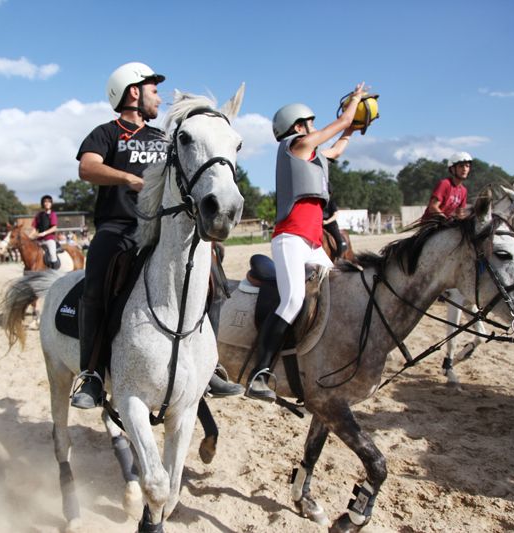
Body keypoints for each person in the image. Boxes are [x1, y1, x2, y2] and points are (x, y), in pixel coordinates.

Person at [71, 62, 241, 409]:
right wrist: (128, 179)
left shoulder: (165, 138)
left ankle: (210, 367)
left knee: (215, 273)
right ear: (133, 91)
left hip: (162, 226)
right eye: (153, 89)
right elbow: (86, 167)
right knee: (96, 281)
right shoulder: (107, 133)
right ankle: (91, 375)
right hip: (117, 226)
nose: (158, 97)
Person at [246, 83, 367, 403]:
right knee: (292, 300)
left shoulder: (312, 156)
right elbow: (337, 126)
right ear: (297, 127)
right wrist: (352, 106)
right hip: (289, 240)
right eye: (310, 123)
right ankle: (259, 373)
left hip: (312, 243)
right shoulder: (295, 146)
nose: (313, 128)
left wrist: (352, 131)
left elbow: (337, 148)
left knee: (342, 287)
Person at [422, 152, 472, 220]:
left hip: (446, 226)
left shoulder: (464, 191)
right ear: (453, 169)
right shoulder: (445, 184)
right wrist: (445, 220)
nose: (465, 169)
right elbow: (433, 207)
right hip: (431, 224)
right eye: (461, 166)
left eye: (467, 166)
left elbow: (459, 213)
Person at [32, 194, 59, 268]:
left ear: (51, 203)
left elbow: (54, 228)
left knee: (52, 254)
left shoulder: (53, 214)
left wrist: (44, 233)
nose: (47, 203)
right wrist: (30, 236)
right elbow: (34, 228)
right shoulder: (39, 215)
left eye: (49, 202)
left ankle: (54, 270)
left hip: (49, 239)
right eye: (45, 202)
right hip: (39, 240)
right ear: (42, 203)